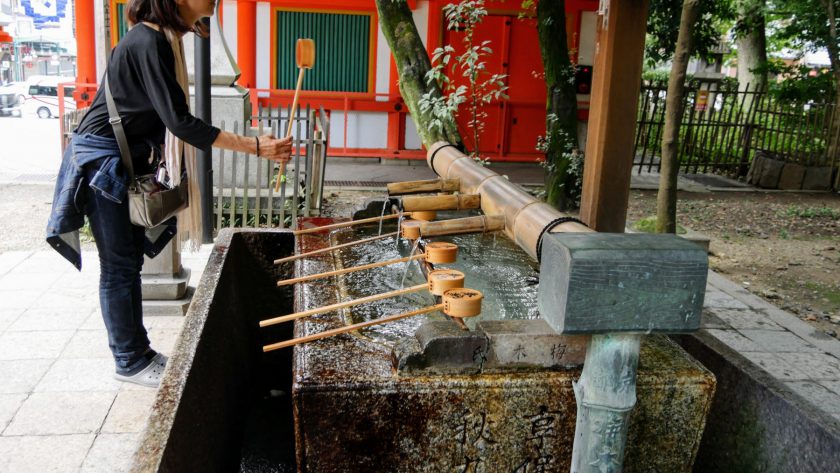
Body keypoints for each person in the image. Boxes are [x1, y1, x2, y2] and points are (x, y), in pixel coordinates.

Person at [46, 0, 292, 387]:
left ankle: (138, 352)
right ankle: (129, 360)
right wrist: (255, 146)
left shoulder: (161, 39)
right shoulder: (148, 41)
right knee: (118, 266)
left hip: (118, 160)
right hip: (101, 164)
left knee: (126, 264)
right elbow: (179, 123)